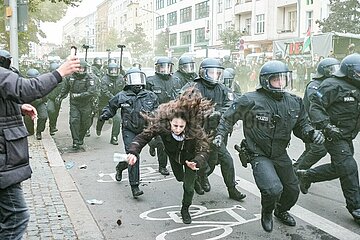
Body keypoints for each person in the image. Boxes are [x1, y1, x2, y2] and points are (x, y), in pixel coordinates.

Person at [215, 60, 324, 232]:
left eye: (284, 79)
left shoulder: (294, 101)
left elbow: (302, 126)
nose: (281, 83)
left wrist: (311, 134)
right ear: (266, 81)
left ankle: (281, 210)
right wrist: (220, 135)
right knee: (273, 189)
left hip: (280, 153)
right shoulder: (250, 100)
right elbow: (228, 118)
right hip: (258, 152)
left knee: (292, 190)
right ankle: (267, 211)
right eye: (276, 79)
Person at [0, 53, 80, 239]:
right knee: (16, 216)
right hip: (3, 161)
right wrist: (59, 73)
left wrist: (17, 108)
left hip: (5, 158)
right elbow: (25, 89)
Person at [125, 87, 213, 224]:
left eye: (181, 127)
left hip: (190, 159)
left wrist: (196, 161)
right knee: (179, 178)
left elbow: (204, 148)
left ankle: (185, 209)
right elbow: (143, 137)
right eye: (175, 126)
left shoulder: (195, 127)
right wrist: (133, 151)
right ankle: (193, 179)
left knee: (188, 188)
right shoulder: (163, 125)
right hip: (174, 156)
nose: (177, 130)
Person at [297, 53, 360, 225]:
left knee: (339, 167)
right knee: (349, 167)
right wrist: (327, 126)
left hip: (347, 135)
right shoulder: (332, 85)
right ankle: (356, 207)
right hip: (332, 135)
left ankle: (307, 176)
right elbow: (315, 107)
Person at [182, 58, 246, 201]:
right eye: (211, 73)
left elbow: (232, 104)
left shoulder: (222, 88)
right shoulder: (193, 86)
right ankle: (199, 178)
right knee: (200, 161)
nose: (215, 76)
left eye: (218, 73)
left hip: (215, 132)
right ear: (203, 73)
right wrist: (204, 113)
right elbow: (182, 105)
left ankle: (232, 188)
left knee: (226, 160)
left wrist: (218, 113)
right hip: (197, 133)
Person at [99, 67, 159, 197]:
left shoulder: (150, 95)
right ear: (127, 80)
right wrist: (105, 115)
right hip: (129, 130)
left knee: (159, 142)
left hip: (146, 129)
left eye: (139, 79)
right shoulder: (122, 96)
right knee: (133, 156)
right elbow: (111, 107)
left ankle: (122, 165)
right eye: (134, 79)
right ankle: (134, 185)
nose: (137, 83)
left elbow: (157, 110)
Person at [293, 57, 340, 171]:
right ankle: (297, 173)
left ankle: (296, 171)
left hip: (320, 123)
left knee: (312, 150)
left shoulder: (332, 84)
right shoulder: (314, 85)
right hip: (309, 123)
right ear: (325, 71)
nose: (336, 71)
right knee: (318, 150)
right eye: (332, 69)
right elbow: (316, 100)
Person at [146, 57, 182, 175]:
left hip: (172, 115)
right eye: (162, 67)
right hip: (157, 115)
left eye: (167, 67)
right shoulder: (150, 81)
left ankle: (154, 145)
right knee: (161, 142)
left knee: (173, 140)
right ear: (157, 67)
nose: (164, 69)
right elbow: (146, 98)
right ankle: (162, 166)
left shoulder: (176, 80)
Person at [56, 60, 98, 149]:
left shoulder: (90, 78)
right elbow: (65, 89)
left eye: (82, 68)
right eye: (79, 68)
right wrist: (60, 97)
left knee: (86, 123)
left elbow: (91, 92)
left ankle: (80, 137)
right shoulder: (70, 78)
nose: (80, 70)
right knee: (74, 121)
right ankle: (75, 141)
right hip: (74, 104)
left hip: (86, 104)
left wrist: (79, 95)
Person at [96, 62, 125, 145]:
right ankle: (99, 127)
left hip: (116, 103)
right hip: (105, 102)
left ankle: (114, 137)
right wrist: (114, 98)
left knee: (117, 119)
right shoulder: (104, 79)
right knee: (102, 117)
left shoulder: (121, 78)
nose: (113, 72)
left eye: (115, 70)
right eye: (111, 70)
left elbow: (124, 89)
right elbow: (105, 91)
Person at [46, 62, 63, 136]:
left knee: (55, 113)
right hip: (50, 98)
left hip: (57, 99)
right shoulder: (47, 78)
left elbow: (64, 90)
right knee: (51, 111)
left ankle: (53, 126)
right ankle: (51, 126)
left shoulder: (62, 79)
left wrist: (60, 97)